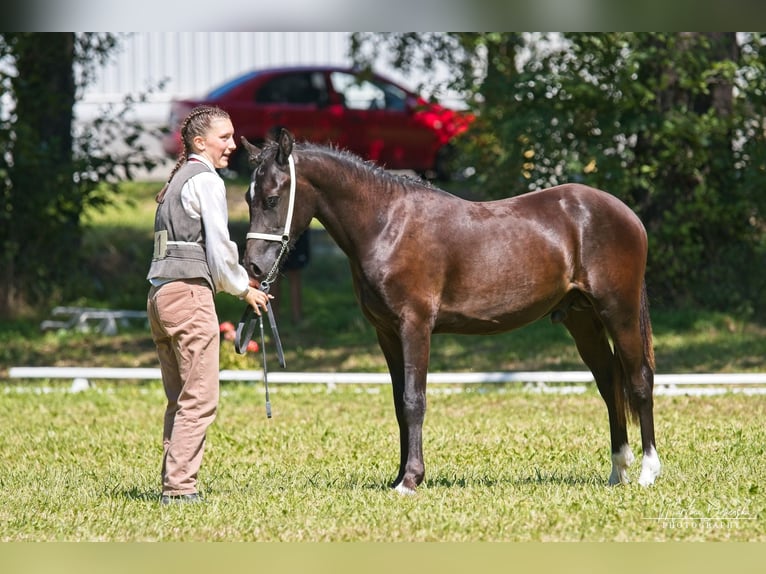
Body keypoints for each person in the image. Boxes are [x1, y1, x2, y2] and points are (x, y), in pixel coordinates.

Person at [146, 105, 272, 505]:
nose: (232, 144)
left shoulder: (177, 181)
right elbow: (219, 249)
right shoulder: (207, 180)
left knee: (180, 398)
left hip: (160, 296)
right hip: (188, 294)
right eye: (225, 137)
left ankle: (173, 481)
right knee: (200, 398)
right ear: (200, 142)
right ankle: (180, 489)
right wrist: (243, 289)